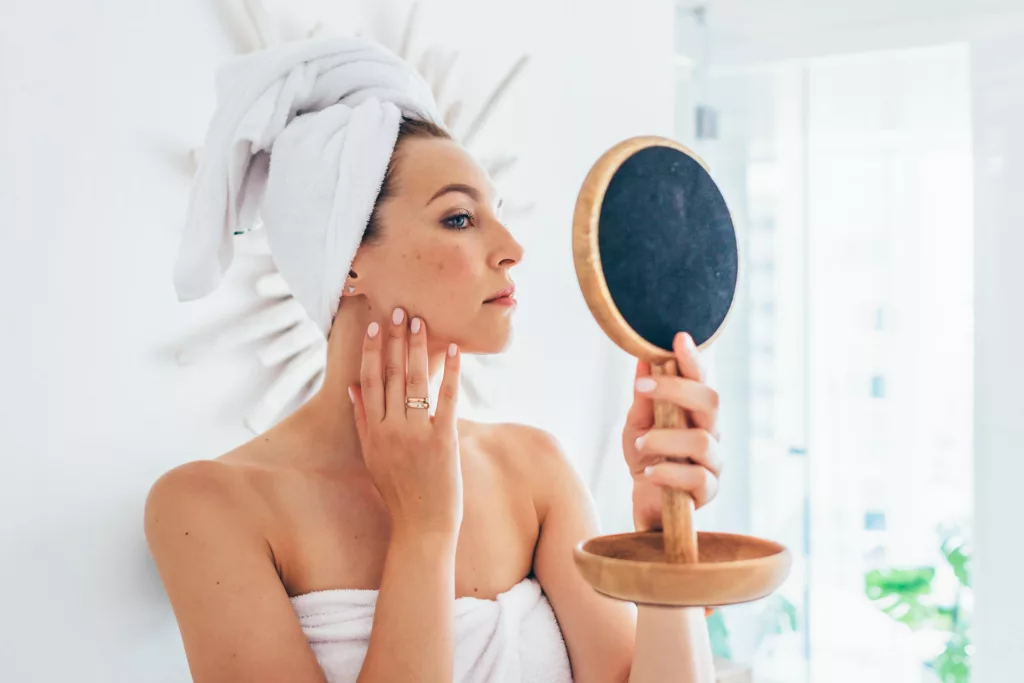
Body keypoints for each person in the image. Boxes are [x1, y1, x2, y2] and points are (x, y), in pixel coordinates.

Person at [144, 36, 724, 683]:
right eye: (457, 218)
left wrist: (667, 540)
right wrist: (423, 530)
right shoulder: (208, 507)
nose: (511, 247)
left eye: (497, 215)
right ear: (349, 261)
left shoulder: (536, 469)